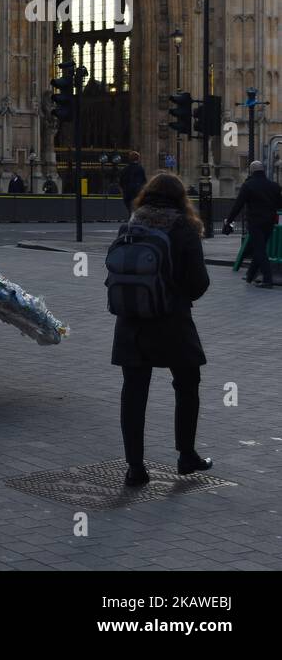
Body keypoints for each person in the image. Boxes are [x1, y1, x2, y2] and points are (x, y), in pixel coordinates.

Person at [111, 172, 212, 487]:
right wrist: (177, 294)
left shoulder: (130, 225)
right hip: (171, 321)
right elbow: (200, 283)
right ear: (181, 199)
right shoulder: (183, 228)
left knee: (134, 392)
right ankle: (186, 455)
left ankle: (135, 468)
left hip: (131, 321)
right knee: (187, 384)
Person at [223, 160, 282, 288]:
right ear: (263, 170)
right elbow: (279, 204)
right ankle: (250, 276)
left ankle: (268, 279)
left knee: (259, 250)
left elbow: (238, 205)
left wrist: (229, 220)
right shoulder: (274, 186)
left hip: (255, 222)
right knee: (259, 248)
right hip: (270, 222)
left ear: (251, 171)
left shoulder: (248, 185)